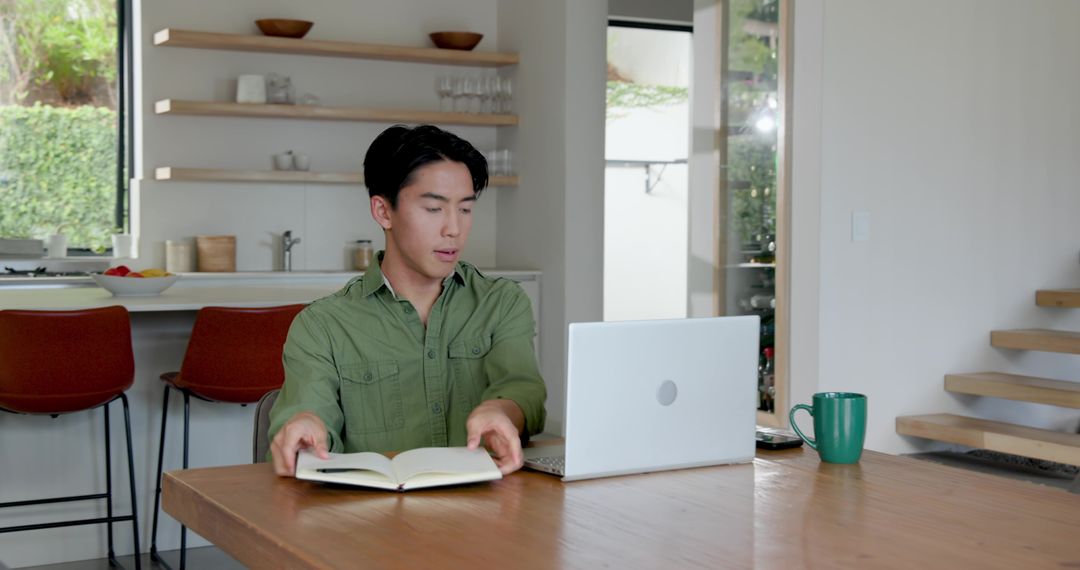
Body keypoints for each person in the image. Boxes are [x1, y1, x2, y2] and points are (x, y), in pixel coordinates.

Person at [268, 125, 546, 476]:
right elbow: (308, 409)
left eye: (465, 209)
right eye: (433, 209)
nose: (453, 229)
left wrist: (502, 412)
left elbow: (522, 388)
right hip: (370, 520)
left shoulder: (501, 302)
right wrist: (306, 426)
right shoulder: (322, 325)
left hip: (486, 510)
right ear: (384, 212)